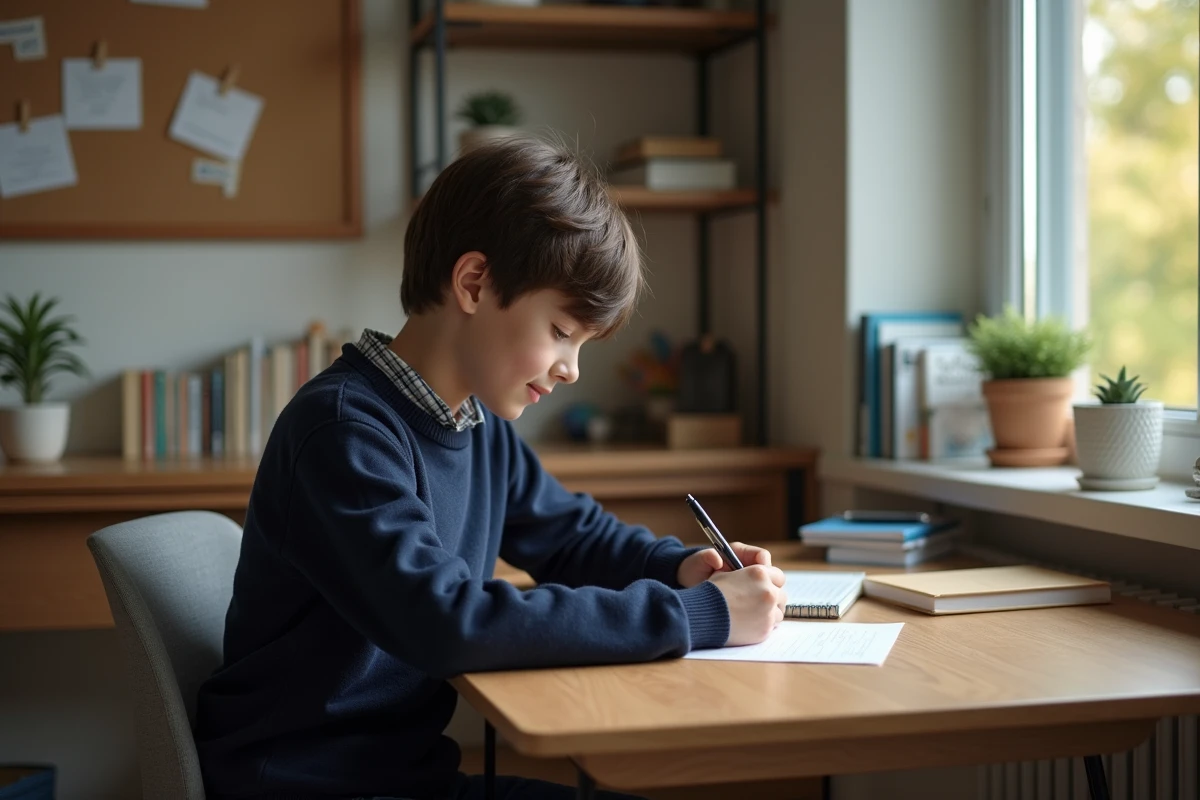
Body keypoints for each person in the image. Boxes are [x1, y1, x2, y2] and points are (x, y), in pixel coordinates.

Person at [194, 135, 788, 800]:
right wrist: (698, 615)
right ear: (474, 283)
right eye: (562, 332)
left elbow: (573, 538)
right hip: (308, 785)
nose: (572, 369)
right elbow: (447, 623)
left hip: (401, 778)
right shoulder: (342, 434)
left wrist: (678, 568)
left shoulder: (473, 427)